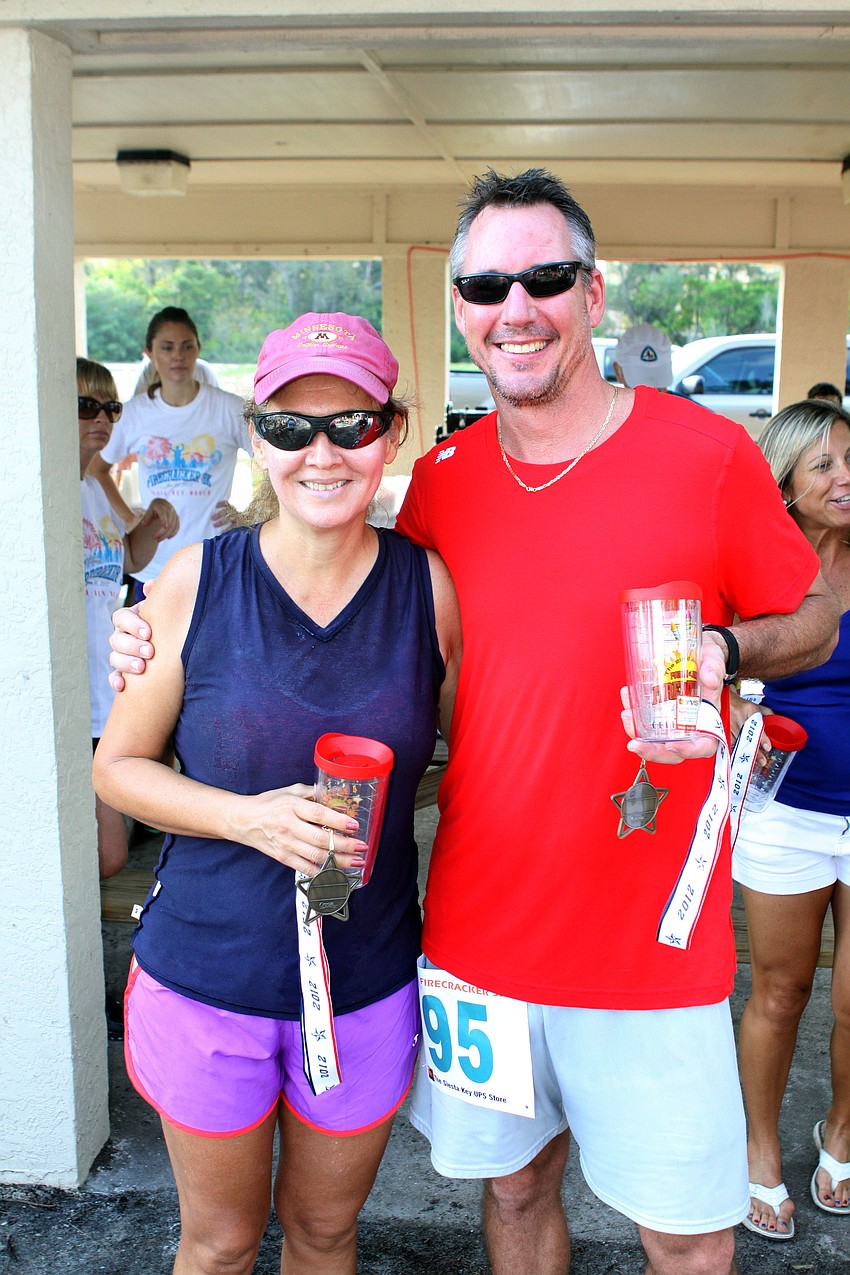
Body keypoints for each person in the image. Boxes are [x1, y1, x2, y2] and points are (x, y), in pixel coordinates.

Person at [108, 171, 840, 1275]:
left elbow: (817, 615)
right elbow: (428, 693)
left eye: (545, 277)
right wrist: (152, 642)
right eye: (486, 284)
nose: (517, 306)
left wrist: (725, 654)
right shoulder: (441, 486)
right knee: (511, 1194)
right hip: (474, 946)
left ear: (592, 293)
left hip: (649, 943)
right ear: (459, 308)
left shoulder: (706, 455)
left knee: (687, 1237)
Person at [93, 312, 461, 1274]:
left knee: (326, 1233)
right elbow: (118, 768)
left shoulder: (429, 590)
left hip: (364, 978)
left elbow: (474, 752)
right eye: (293, 428)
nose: (323, 453)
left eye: (352, 424)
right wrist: (250, 817)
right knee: (216, 1243)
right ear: (259, 437)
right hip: (207, 977)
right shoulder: (193, 582)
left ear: (392, 431)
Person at [730, 398, 850, 1240]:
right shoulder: (757, 572)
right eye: (826, 466)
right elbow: (708, 662)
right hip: (787, 812)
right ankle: (759, 1149)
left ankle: (840, 1133)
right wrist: (732, 705)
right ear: (786, 482)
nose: (846, 478)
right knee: (780, 988)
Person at [78, 357, 179, 1037]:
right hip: (70, 704)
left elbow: (128, 561)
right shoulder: (38, 484)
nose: (105, 419)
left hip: (104, 690)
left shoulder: (92, 484)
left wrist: (155, 523)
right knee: (109, 855)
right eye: (89, 405)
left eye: (112, 407)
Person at [87, 306, 249, 604]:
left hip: (213, 566)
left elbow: (275, 460)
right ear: (149, 352)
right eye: (167, 347)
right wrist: (129, 519)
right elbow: (96, 469)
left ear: (198, 349)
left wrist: (251, 516)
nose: (178, 356)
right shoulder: (134, 412)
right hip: (153, 571)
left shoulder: (229, 409)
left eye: (187, 346)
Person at [612, 322, 673, 390]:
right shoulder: (682, 400)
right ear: (617, 371)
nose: (652, 392)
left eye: (659, 386)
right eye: (640, 389)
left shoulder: (683, 400)